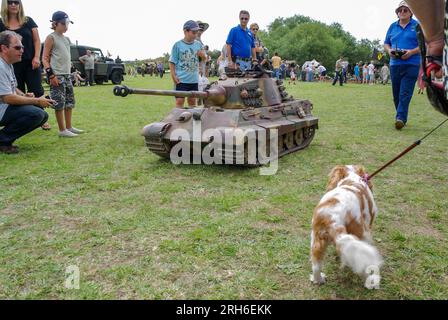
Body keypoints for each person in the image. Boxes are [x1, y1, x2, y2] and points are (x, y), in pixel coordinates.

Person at [0, 31, 54, 154]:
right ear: (4, 48)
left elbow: (12, 88)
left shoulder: (8, 64)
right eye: (18, 47)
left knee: (42, 115)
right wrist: (37, 101)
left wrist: (23, 95)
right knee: (36, 114)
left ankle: (4, 139)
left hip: (4, 107)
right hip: (3, 107)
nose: (22, 50)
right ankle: (2, 140)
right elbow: (7, 98)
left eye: (23, 47)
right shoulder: (1, 66)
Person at [0, 0, 50, 130]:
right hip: (11, 63)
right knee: (15, 90)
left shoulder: (28, 20)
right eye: (10, 2)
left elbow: (37, 40)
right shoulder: (1, 23)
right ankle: (21, 119)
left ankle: (41, 117)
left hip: (30, 62)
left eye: (16, 2)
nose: (13, 5)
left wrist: (36, 57)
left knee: (36, 89)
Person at [42, 11, 84, 138]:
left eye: (68, 23)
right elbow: (44, 58)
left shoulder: (67, 39)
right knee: (59, 103)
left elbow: (66, 57)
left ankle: (69, 127)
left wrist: (73, 72)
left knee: (69, 102)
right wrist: (51, 75)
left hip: (67, 75)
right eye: (64, 24)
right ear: (55, 24)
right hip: (57, 75)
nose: (66, 26)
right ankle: (62, 129)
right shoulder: (51, 37)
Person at [384, 1, 421, 130]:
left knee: (404, 93)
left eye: (405, 10)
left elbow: (425, 44)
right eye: (400, 10)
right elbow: (386, 43)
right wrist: (389, 51)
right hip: (395, 64)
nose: (402, 12)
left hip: (412, 63)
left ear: (411, 12)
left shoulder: (417, 26)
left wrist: (411, 52)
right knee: (396, 94)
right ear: (397, 13)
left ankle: (400, 118)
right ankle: (401, 115)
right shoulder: (392, 26)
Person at [169, 20, 206, 108]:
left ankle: (192, 121)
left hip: (193, 80)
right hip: (181, 80)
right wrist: (173, 76)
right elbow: (172, 62)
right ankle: (177, 120)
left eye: (197, 32)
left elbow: (204, 60)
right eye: (193, 32)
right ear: (185, 31)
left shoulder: (198, 45)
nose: (195, 35)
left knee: (192, 102)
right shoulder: (177, 45)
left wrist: (203, 56)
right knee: (179, 101)